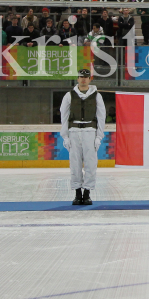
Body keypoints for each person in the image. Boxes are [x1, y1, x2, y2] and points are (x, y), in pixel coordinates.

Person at [59, 68, 106, 206]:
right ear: (77, 78)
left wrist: (99, 136)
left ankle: (87, 192)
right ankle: (77, 192)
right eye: (81, 77)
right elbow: (64, 116)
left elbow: (101, 117)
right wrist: (65, 136)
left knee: (91, 164)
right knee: (75, 164)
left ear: (89, 79)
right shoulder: (69, 95)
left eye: (86, 77)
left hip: (90, 131)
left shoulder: (97, 96)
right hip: (74, 131)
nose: (83, 79)